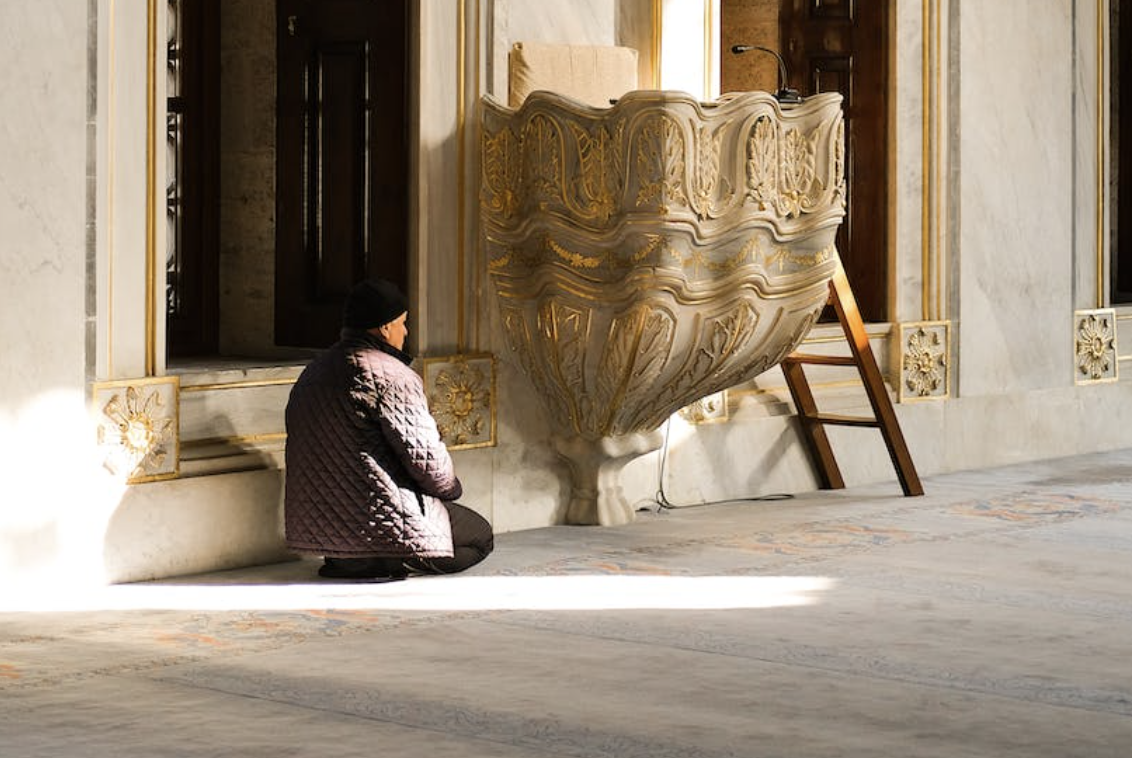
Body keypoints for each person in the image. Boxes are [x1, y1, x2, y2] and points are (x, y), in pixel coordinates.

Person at [283, 278, 494, 580]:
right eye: (403, 323)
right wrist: (450, 491)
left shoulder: (313, 372)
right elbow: (431, 466)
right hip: (382, 526)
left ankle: (358, 560)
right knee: (481, 536)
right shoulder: (394, 377)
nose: (405, 332)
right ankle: (401, 558)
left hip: (324, 533)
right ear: (384, 327)